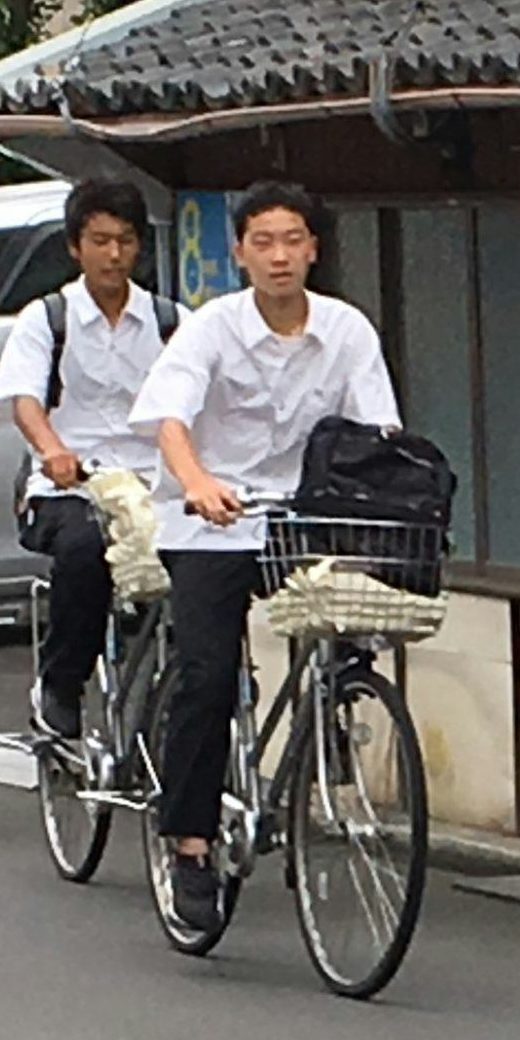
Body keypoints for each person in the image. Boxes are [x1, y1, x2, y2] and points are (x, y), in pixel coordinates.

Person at [128, 182, 398, 933]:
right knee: (209, 676)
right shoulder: (212, 328)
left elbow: (378, 433)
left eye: (293, 240)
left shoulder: (347, 330)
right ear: (241, 251)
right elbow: (169, 419)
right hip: (210, 522)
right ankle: (189, 843)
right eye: (263, 241)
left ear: (314, 247)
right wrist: (197, 483)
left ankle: (330, 723)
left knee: (351, 627)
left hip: (298, 517)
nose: (280, 255)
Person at [0, 180, 178, 738]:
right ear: (76, 247)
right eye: (99, 241)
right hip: (72, 487)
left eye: (124, 240)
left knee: (207, 561)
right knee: (83, 549)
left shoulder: (170, 321)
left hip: (153, 485)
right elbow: (24, 397)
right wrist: (52, 450)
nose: (113, 255)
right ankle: (62, 684)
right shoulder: (46, 319)